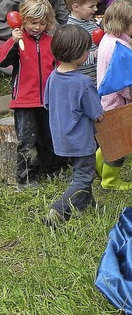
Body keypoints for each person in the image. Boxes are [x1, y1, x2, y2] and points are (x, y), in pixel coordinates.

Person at [0, 0, 65, 187]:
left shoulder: (52, 42)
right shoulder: (18, 40)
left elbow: (60, 67)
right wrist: (12, 41)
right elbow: (2, 61)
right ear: (23, 20)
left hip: (48, 99)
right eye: (33, 22)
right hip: (24, 101)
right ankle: (27, 178)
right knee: (27, 141)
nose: (37, 27)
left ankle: (54, 169)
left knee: (50, 136)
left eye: (42, 23)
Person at [43, 25, 104, 227]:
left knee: (83, 172)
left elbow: (47, 103)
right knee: (83, 176)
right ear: (78, 53)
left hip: (61, 137)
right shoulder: (83, 82)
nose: (88, 53)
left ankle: (87, 205)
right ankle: (59, 209)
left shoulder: (53, 77)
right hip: (81, 139)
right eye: (87, 49)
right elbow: (97, 113)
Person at [96, 0, 132, 190]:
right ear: (123, 24)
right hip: (115, 102)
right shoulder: (117, 48)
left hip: (106, 101)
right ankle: (110, 181)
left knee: (107, 139)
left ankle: (98, 168)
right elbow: (121, 82)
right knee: (119, 144)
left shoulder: (109, 39)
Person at [65, 0, 100, 83]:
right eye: (91, 6)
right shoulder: (71, 31)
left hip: (97, 78)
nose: (96, 9)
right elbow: (73, 59)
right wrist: (95, 55)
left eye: (96, 5)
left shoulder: (91, 24)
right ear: (76, 7)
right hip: (84, 81)